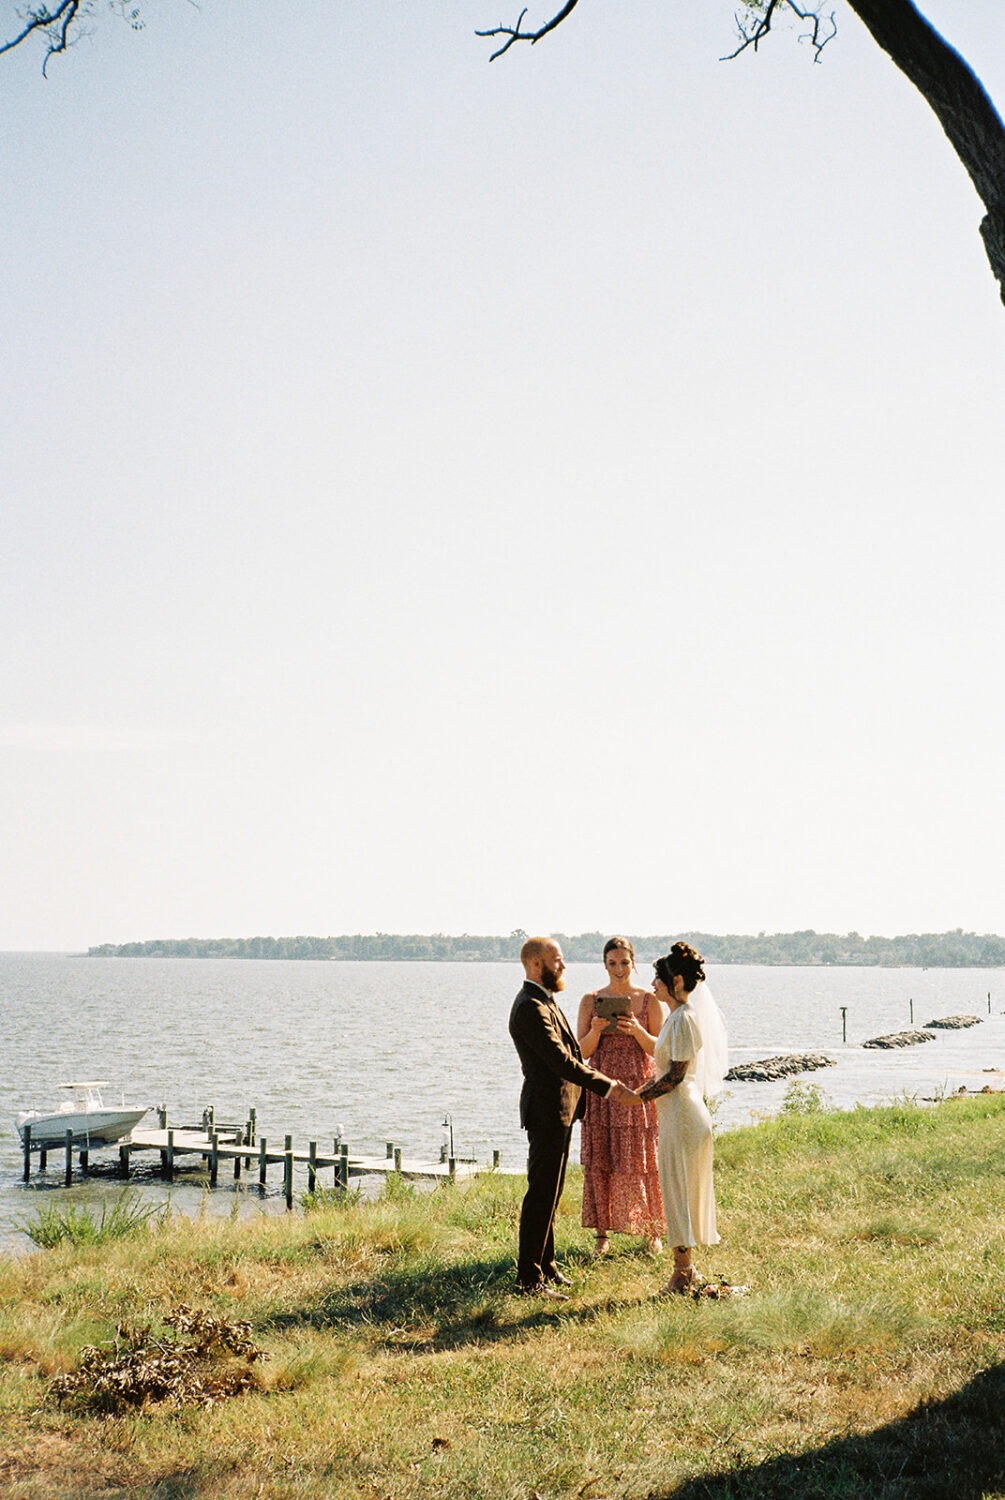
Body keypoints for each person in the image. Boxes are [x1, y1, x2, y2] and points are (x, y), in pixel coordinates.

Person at [509, 935, 640, 1297]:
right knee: (541, 1194)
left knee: (552, 1193)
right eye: (558, 960)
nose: (564, 966)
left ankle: (546, 1267)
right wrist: (611, 1087)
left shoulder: (544, 1000)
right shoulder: (530, 1007)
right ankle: (528, 1280)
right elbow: (563, 1062)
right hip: (546, 1111)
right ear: (537, 964)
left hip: (562, 1110)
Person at [640, 941, 728, 1293]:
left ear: (675, 981)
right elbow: (667, 1069)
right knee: (676, 1188)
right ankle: (684, 1267)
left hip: (683, 1113)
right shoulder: (676, 1018)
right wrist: (649, 1085)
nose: (652, 986)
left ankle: (683, 1272)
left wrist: (638, 1097)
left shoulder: (685, 1018)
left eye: (657, 979)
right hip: (676, 1112)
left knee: (679, 1190)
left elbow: (676, 1075)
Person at [577, 936, 665, 1255]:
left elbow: (660, 1049)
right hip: (601, 1085)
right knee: (601, 1160)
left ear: (633, 963)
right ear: (604, 964)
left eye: (624, 962)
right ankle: (603, 1235)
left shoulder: (649, 1000)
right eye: (612, 963)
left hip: (638, 1087)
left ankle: (651, 1229)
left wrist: (636, 1031)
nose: (618, 969)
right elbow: (580, 1053)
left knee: (641, 1160)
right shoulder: (591, 1000)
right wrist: (597, 1030)